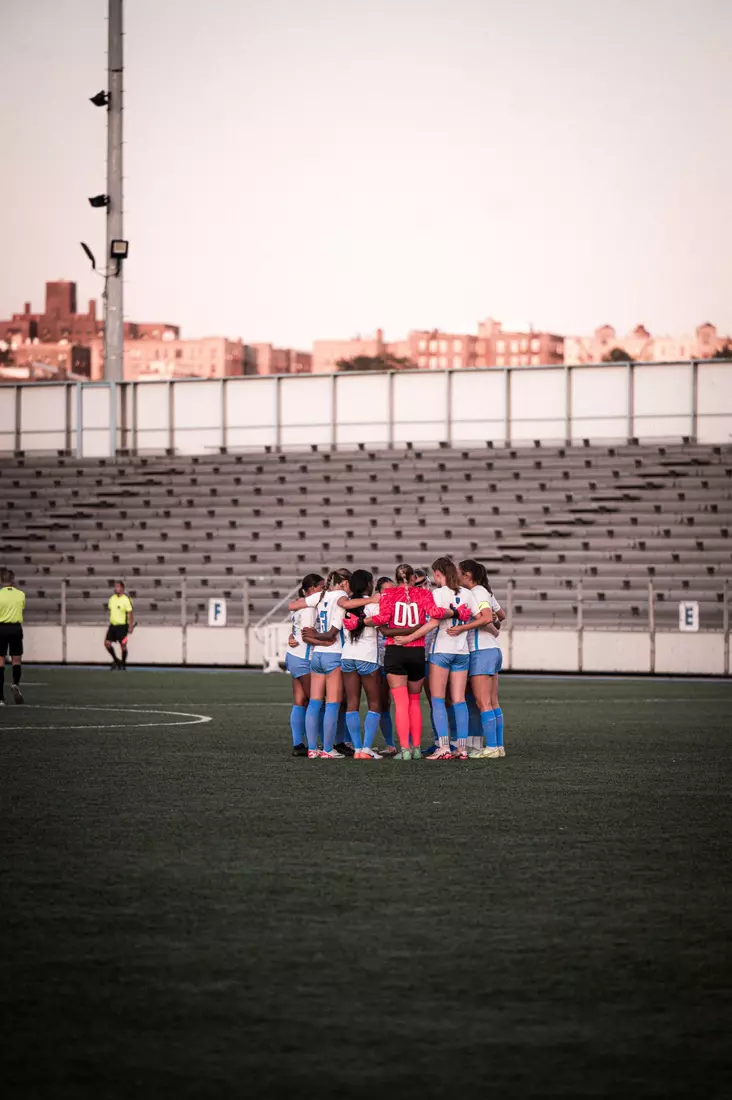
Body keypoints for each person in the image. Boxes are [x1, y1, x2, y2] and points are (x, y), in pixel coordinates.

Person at [355, 562, 470, 761]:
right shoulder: (424, 594)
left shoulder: (388, 594)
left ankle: (405, 750)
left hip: (395, 650)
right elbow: (435, 614)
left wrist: (360, 622)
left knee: (401, 703)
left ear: (396, 578)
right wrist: (457, 612)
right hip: (417, 651)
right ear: (412, 578)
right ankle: (416, 748)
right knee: (415, 702)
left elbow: (381, 618)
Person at [394, 558, 475, 760]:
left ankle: (444, 747)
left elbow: (433, 623)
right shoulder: (467, 593)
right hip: (462, 651)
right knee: (459, 700)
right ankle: (462, 748)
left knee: (437, 700)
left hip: (441, 650)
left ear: (438, 574)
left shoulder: (438, 594)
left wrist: (409, 638)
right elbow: (481, 616)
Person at [450, 560, 506, 759]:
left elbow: (487, 617)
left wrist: (462, 627)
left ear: (467, 575)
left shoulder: (476, 592)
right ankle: (498, 746)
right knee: (492, 702)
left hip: (481, 650)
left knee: (483, 703)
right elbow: (500, 615)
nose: (455, 576)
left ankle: (491, 747)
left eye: (458, 572)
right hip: (492, 649)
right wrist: (491, 625)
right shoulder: (485, 591)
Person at [299, 570, 351, 759]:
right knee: (332, 704)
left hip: (317, 655)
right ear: (344, 583)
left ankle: (312, 749)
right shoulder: (342, 597)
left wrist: (312, 635)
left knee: (314, 702)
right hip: (334, 654)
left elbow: (294, 605)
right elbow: (332, 634)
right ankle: (328, 749)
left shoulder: (321, 596)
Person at [340, 570, 384, 760]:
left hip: (348, 656)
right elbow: (383, 624)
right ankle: (366, 748)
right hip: (367, 657)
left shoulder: (347, 604)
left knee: (352, 703)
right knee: (375, 703)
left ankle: (357, 749)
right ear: (367, 584)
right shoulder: (374, 604)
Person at [286, 572, 324, 757]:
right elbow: (307, 636)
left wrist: (291, 637)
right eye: (321, 587)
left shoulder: (299, 604)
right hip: (304, 658)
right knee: (316, 702)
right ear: (312, 589)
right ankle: (316, 745)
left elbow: (295, 630)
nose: (324, 591)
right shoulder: (309, 608)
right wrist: (328, 641)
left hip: (293, 656)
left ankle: (298, 744)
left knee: (300, 701)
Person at [374, 576, 397, 756]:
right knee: (383, 703)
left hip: (397, 658)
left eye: (392, 590)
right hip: (379, 661)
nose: (390, 594)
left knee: (405, 702)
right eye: (386, 591)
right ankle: (390, 744)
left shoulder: (400, 608)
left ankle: (410, 744)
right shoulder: (373, 608)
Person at [0, 568, 25, 705]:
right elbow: (21, 608)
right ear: (13, 580)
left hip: (1, 628)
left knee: (0, 661)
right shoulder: (21, 594)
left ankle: (0, 697)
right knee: (16, 660)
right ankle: (15, 684)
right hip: (16, 628)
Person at [106, 581, 134, 671]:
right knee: (107, 644)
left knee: (123, 645)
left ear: (122, 588)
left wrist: (130, 626)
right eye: (115, 586)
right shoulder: (112, 598)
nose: (116, 588)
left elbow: (130, 613)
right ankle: (117, 660)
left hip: (123, 626)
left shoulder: (126, 599)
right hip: (113, 625)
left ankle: (123, 664)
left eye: (118, 586)